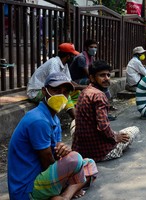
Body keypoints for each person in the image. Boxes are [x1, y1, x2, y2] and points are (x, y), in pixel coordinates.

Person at [8, 72, 98, 200]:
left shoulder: (53, 117)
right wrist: (68, 163)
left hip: (42, 177)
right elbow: (48, 163)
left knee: (89, 163)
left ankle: (65, 196)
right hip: (27, 188)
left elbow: (56, 154)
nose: (61, 95)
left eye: (65, 92)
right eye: (56, 90)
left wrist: (63, 151)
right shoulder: (39, 120)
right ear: (44, 91)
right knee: (75, 159)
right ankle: (62, 193)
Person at [72, 60, 139, 162]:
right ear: (92, 78)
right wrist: (115, 137)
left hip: (81, 151)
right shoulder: (99, 95)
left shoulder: (84, 91)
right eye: (102, 75)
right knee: (134, 130)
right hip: (101, 153)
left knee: (74, 122)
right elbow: (103, 126)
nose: (106, 78)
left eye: (108, 75)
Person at [27, 43, 84, 119]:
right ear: (68, 56)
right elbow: (56, 84)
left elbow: (69, 81)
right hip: (36, 92)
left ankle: (76, 113)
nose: (74, 58)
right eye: (73, 55)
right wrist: (83, 86)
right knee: (63, 94)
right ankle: (75, 119)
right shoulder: (54, 63)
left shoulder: (64, 64)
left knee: (78, 93)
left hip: (51, 89)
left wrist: (82, 88)